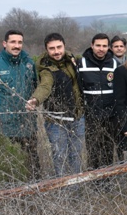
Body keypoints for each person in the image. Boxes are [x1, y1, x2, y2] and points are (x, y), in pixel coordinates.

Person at [0, 29, 39, 178]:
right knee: (9, 166)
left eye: (19, 42)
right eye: (13, 42)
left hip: (28, 124)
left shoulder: (29, 63)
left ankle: (36, 193)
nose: (17, 46)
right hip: (5, 127)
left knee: (32, 165)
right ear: (5, 43)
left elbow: (35, 86)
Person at [27, 33, 85, 177]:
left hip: (78, 118)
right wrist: (35, 100)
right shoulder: (46, 69)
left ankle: (75, 191)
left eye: (59, 47)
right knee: (60, 157)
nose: (56, 51)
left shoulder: (73, 61)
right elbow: (45, 87)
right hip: (56, 122)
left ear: (64, 46)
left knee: (76, 157)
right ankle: (63, 192)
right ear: (46, 50)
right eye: (52, 48)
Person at [77, 33, 120, 170]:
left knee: (108, 149)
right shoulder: (81, 64)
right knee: (93, 149)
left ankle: (107, 181)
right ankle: (95, 180)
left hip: (110, 115)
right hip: (90, 116)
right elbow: (77, 89)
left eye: (104, 46)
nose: (101, 49)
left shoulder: (115, 64)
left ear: (108, 47)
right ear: (92, 45)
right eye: (98, 45)